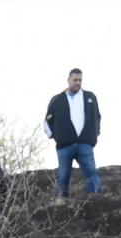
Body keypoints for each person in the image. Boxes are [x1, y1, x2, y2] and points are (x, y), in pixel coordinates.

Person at [43, 67, 102, 197]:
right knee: (63, 178)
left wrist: (95, 134)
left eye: (80, 80)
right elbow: (47, 122)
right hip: (64, 146)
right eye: (75, 80)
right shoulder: (57, 100)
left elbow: (97, 117)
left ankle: (97, 202)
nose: (78, 82)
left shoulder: (90, 97)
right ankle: (62, 206)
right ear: (68, 80)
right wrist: (55, 136)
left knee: (92, 174)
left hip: (85, 144)